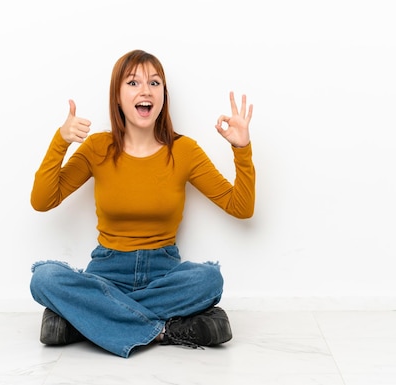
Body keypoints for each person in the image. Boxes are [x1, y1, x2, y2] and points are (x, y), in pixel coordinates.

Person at [28, 49, 255, 358]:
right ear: (117, 97)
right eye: (133, 83)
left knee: (209, 280)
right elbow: (42, 200)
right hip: (107, 274)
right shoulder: (98, 148)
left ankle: (84, 321)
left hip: (164, 274)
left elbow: (241, 207)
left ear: (163, 95)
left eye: (155, 83)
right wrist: (61, 141)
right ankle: (163, 330)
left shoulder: (184, 151)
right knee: (44, 279)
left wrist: (242, 149)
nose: (145, 91)